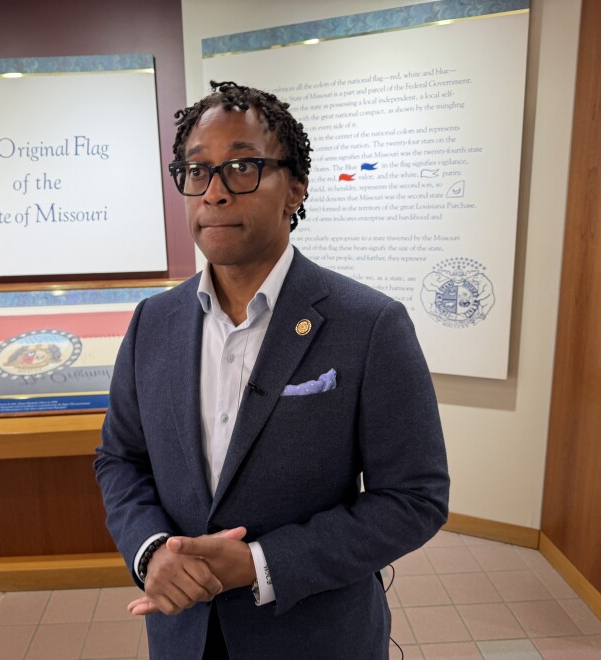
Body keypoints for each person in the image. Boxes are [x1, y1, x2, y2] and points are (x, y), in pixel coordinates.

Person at [94, 80, 449, 660]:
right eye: (197, 171)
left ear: (296, 189)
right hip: (182, 633)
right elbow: (120, 459)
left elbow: (414, 497)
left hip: (313, 635)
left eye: (243, 167)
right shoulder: (152, 322)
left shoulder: (370, 324)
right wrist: (151, 549)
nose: (214, 193)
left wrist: (263, 563)